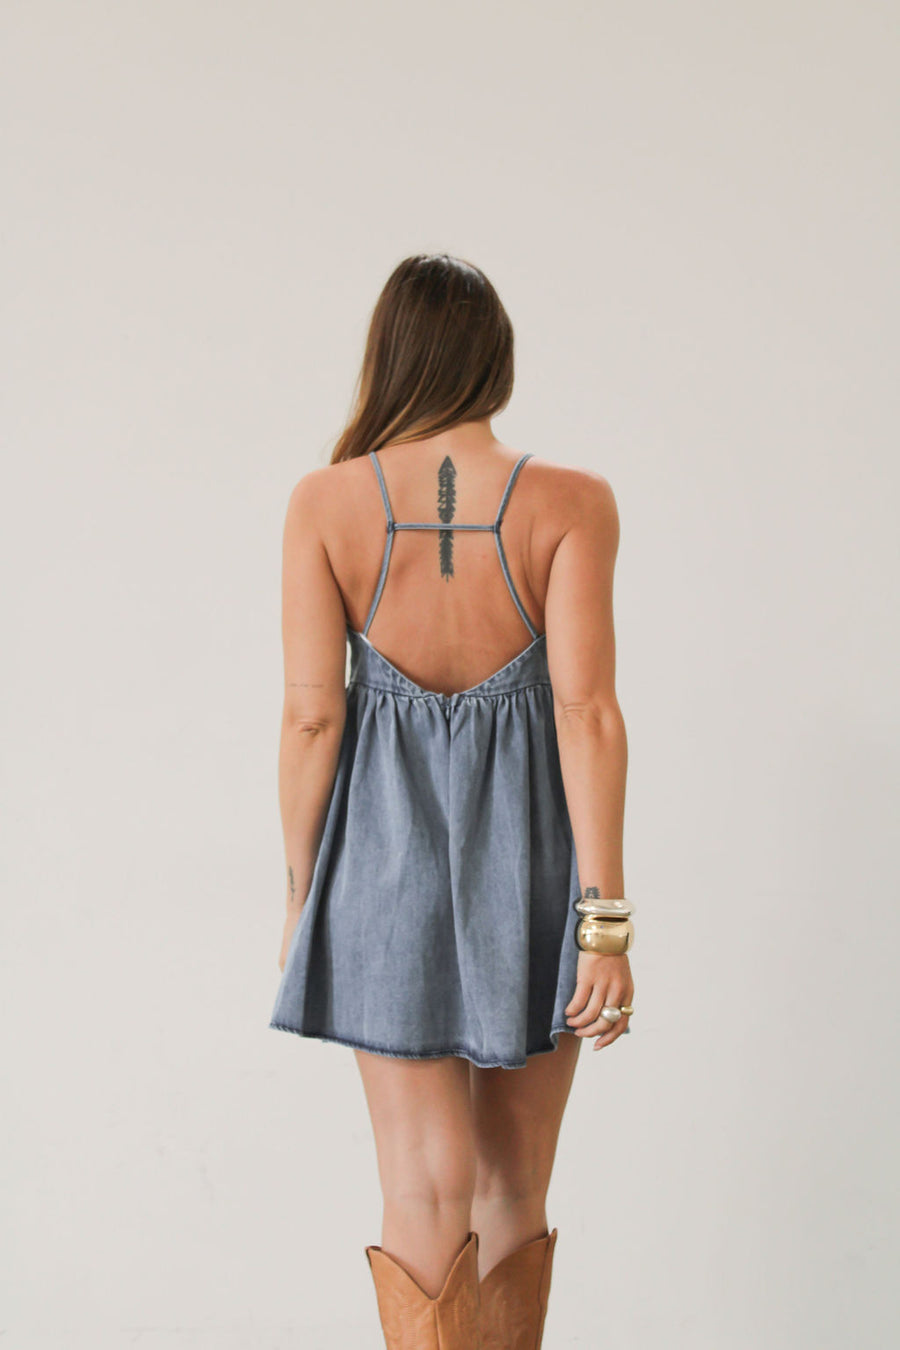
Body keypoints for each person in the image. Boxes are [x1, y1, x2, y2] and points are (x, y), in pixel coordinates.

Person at [269, 252, 633, 1349]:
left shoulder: (326, 503)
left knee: (421, 1186)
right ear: (495, 358)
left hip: (378, 867)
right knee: (514, 1183)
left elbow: (311, 720)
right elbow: (588, 714)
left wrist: (302, 893)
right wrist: (605, 922)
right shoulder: (572, 502)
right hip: (535, 866)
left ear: (389, 355)